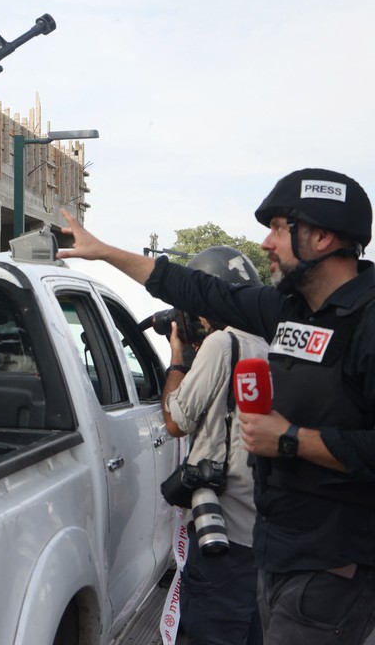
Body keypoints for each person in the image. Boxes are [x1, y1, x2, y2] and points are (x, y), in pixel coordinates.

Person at [55, 168, 375, 645]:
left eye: (280, 229)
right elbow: (198, 289)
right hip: (273, 554)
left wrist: (290, 440)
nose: (266, 243)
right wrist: (104, 252)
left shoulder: (367, 322)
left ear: (322, 237)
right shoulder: (289, 311)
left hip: (331, 570)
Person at [160, 246, 268, 645]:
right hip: (266, 538)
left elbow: (175, 421)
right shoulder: (272, 341)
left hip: (222, 537)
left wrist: (177, 359)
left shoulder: (223, 345)